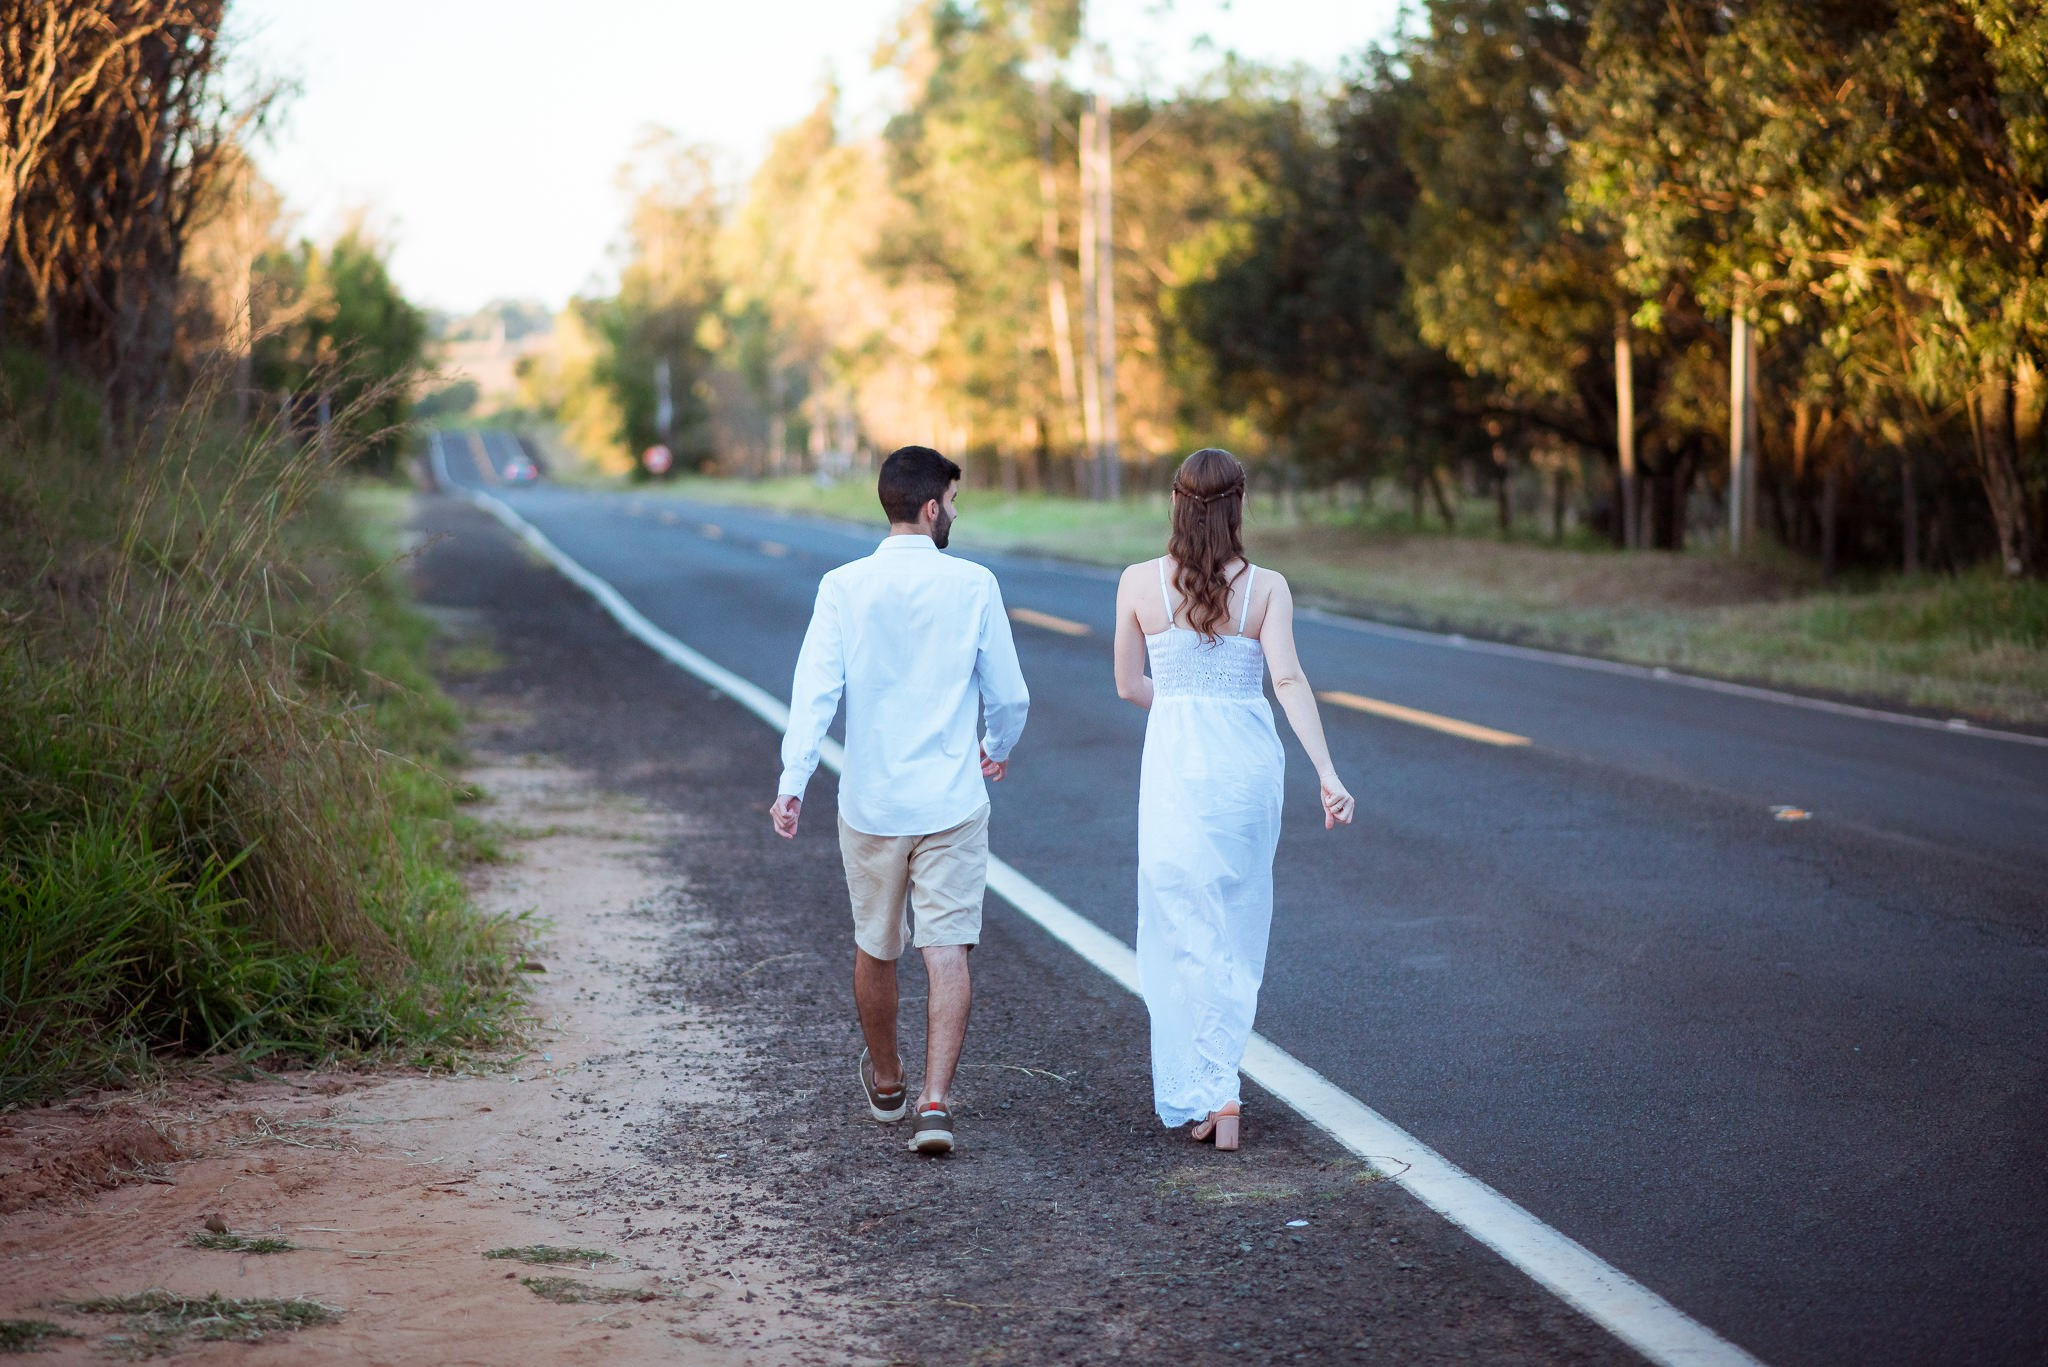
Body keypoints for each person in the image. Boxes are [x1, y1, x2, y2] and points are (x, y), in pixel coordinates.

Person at [772, 445, 1030, 1157]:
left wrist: (792, 781)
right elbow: (1009, 694)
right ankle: (936, 1101)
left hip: (872, 801)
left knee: (875, 944)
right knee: (945, 949)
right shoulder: (974, 584)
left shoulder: (842, 586)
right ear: (929, 507)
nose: (955, 513)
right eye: (952, 502)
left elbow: (815, 691)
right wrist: (997, 744)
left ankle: (887, 1079)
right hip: (951, 799)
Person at [1111, 447, 1356, 1152]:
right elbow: (1288, 681)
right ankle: (1222, 1086)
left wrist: (1182, 704)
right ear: (1239, 502)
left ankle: (1210, 1087)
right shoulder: (1268, 587)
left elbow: (1129, 685)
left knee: (1179, 921)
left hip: (1176, 771)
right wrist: (1327, 771)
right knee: (1236, 919)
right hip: (1250, 768)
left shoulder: (1136, 582)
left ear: (1176, 503)